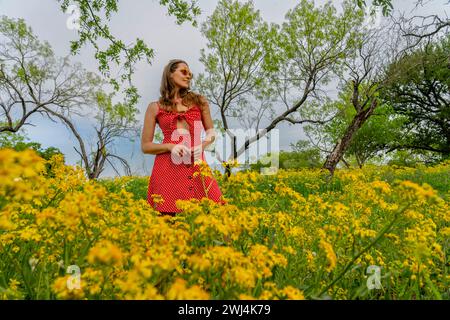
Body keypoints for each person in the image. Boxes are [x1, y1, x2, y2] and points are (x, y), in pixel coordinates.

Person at [141, 59, 226, 216]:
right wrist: (170, 146)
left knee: (219, 211)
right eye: (184, 72)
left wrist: (202, 145)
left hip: (196, 164)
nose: (188, 76)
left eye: (190, 74)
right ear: (170, 75)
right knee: (166, 220)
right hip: (167, 168)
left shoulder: (199, 102)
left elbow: (211, 132)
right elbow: (146, 146)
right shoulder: (154, 108)